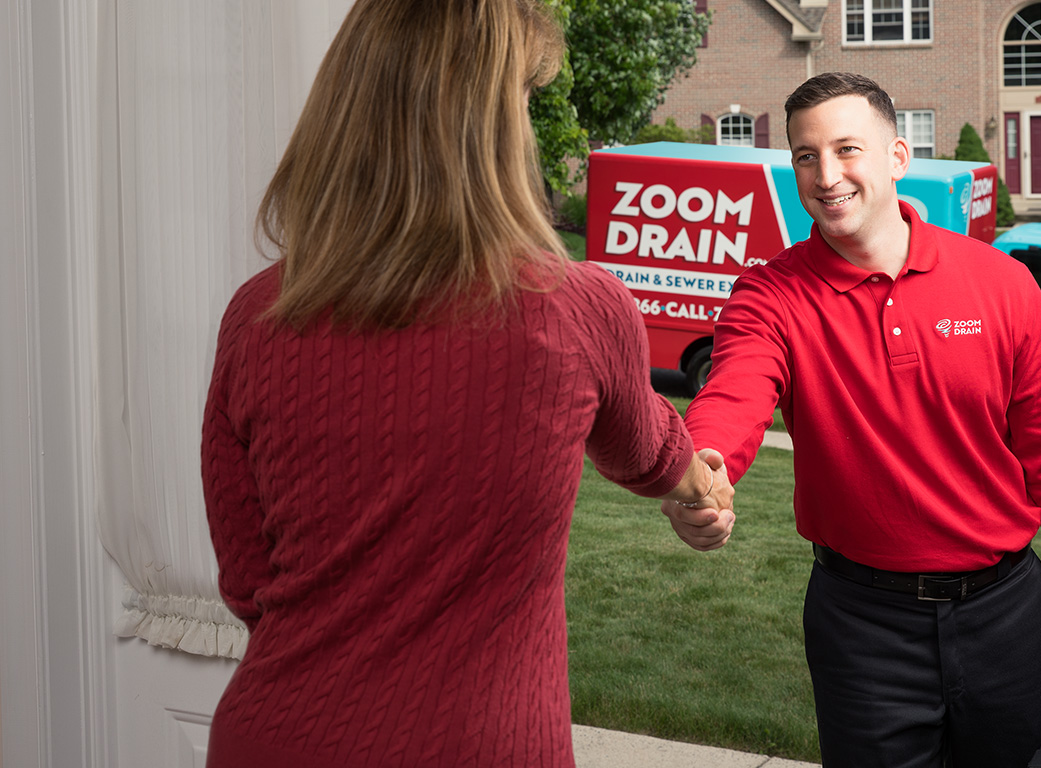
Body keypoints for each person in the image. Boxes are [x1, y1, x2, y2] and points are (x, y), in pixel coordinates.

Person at [200, 1, 733, 766]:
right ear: (489, 125)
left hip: (276, 734)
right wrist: (698, 490)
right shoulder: (577, 309)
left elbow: (249, 584)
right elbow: (648, 450)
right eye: (522, 99)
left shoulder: (255, 316)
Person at [661, 72, 1041, 767]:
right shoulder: (771, 295)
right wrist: (704, 467)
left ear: (897, 157)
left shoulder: (1001, 285)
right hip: (861, 628)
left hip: (1007, 617)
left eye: (848, 149)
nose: (827, 175)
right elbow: (733, 395)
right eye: (805, 155)